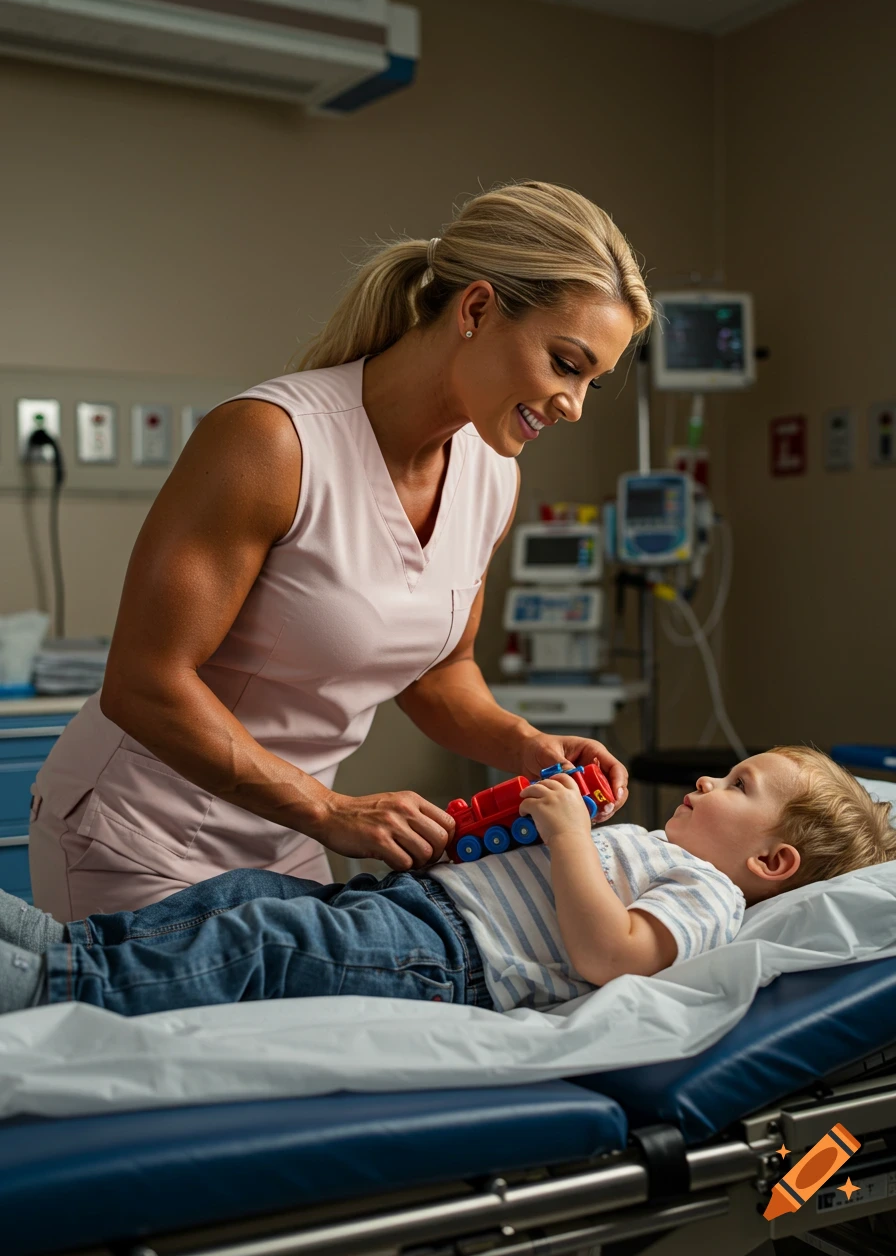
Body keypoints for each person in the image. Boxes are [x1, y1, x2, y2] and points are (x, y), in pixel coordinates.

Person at [27, 180, 652, 924]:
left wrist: (529, 747)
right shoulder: (273, 442)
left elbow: (442, 671)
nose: (574, 405)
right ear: (477, 310)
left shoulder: (491, 474)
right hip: (141, 838)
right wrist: (330, 810)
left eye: (593, 382)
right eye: (565, 363)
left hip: (288, 838)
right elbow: (144, 682)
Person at [3, 747, 893, 1017]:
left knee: (262, 945)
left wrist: (572, 836)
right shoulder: (660, 850)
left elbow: (608, 956)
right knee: (243, 901)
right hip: (416, 910)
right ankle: (69, 947)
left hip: (445, 959)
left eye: (738, 787)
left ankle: (57, 984)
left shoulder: (709, 895)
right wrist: (452, 846)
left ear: (772, 864)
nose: (705, 782)